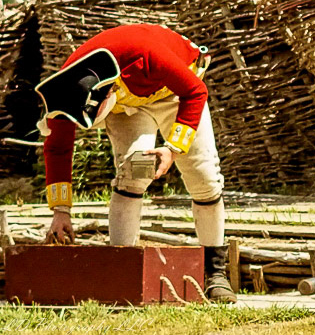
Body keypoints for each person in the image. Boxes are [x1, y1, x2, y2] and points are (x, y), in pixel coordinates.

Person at [38, 23, 236, 302]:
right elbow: (58, 148)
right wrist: (61, 211)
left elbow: (195, 91)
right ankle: (122, 269)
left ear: (106, 93)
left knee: (203, 175)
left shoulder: (147, 55)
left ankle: (214, 273)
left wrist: (172, 148)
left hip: (176, 94)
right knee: (134, 172)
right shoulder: (67, 89)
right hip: (128, 107)